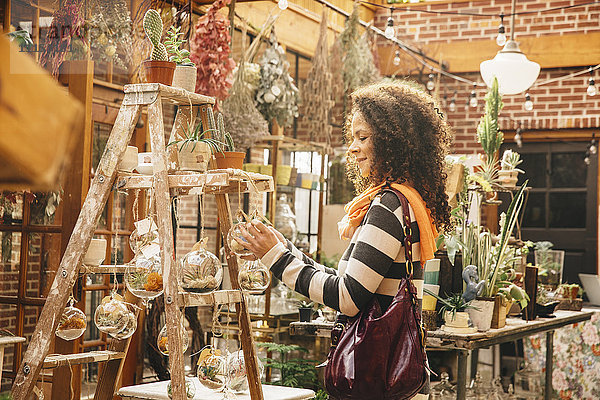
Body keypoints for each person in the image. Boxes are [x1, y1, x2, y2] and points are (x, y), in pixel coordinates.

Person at [236, 80, 453, 399]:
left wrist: (276, 259)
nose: (352, 148)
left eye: (362, 137)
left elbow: (348, 296)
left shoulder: (388, 205)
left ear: (392, 143)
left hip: (374, 377)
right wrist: (282, 248)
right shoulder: (409, 202)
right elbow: (350, 282)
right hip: (394, 377)